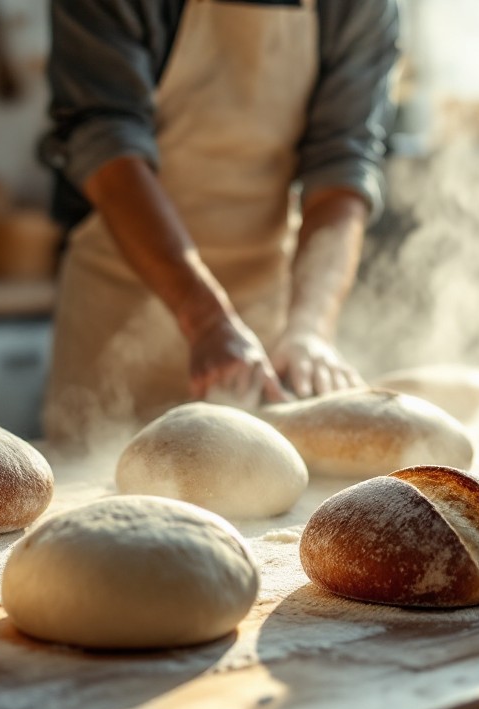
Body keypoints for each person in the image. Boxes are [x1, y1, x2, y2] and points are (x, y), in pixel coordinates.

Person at [40, 0, 401, 443]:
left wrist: (309, 328)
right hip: (119, 311)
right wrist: (206, 320)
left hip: (266, 323)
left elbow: (342, 165)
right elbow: (106, 144)